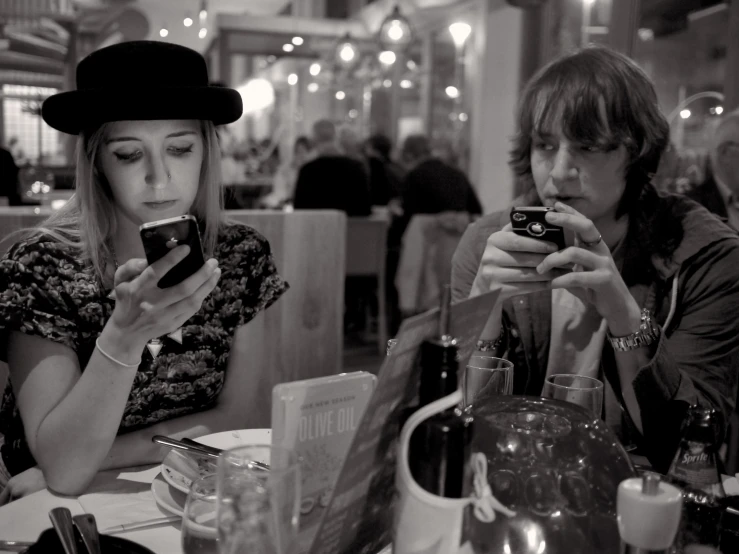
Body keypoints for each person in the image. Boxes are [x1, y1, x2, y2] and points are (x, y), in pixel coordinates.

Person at [0, 41, 289, 502]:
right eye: (129, 155)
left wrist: (105, 455)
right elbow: (67, 471)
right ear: (96, 163)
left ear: (206, 152)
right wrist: (124, 336)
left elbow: (243, 417)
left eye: (179, 148)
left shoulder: (240, 254)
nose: (160, 177)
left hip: (191, 497)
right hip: (62, 513)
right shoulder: (40, 267)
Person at [451, 46, 739, 473]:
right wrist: (483, 319)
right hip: (515, 484)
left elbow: (692, 449)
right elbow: (454, 425)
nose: (560, 171)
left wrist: (623, 313)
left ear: (637, 152)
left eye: (588, 147)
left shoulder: (708, 257)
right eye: (545, 145)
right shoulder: (487, 245)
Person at [396, 134, 482, 235]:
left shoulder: (414, 176)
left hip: (425, 242)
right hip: (459, 241)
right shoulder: (457, 173)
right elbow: (476, 210)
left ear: (408, 155)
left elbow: (408, 216)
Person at [292, 119, 371, 216]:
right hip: (351, 229)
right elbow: (365, 208)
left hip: (316, 229)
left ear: (313, 140)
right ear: (336, 137)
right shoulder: (356, 168)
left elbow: (299, 209)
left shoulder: (307, 170)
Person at [260, 135, 312, 209]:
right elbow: (279, 189)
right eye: (298, 151)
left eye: (303, 151)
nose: (300, 155)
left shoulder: (311, 169)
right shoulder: (286, 168)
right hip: (285, 200)